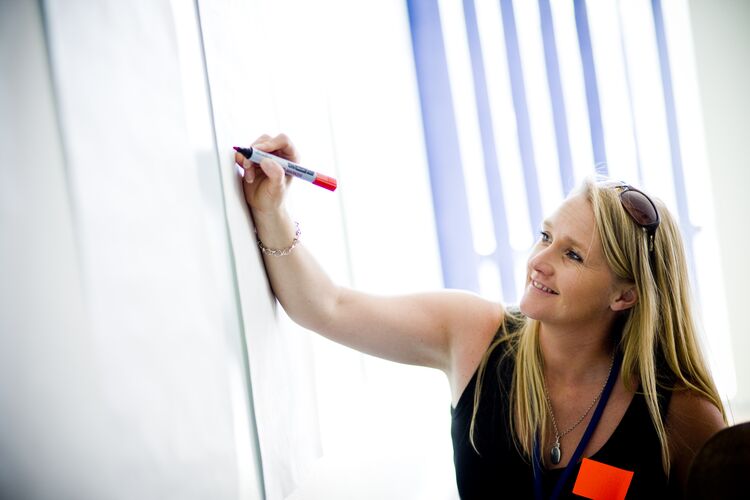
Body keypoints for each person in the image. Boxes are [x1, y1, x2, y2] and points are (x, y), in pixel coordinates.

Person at [236, 133, 726, 499]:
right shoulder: (473, 332)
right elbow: (327, 307)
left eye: (573, 256)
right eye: (545, 235)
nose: (538, 261)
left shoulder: (681, 415)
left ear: (625, 297)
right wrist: (270, 209)